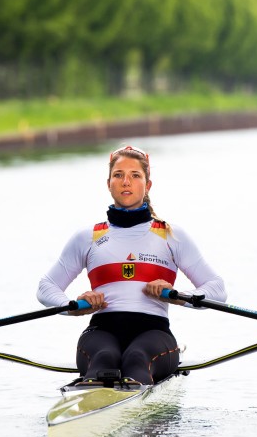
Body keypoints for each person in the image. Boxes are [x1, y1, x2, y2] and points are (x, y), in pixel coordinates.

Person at [37, 145, 226, 385]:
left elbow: (217, 289)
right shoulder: (88, 237)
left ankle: (124, 403)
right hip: (100, 332)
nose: (126, 181)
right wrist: (72, 306)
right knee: (104, 357)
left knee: (137, 358)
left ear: (147, 186)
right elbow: (46, 287)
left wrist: (177, 296)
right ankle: (93, 405)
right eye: (118, 175)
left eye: (135, 175)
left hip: (154, 334)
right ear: (109, 184)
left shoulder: (170, 236)